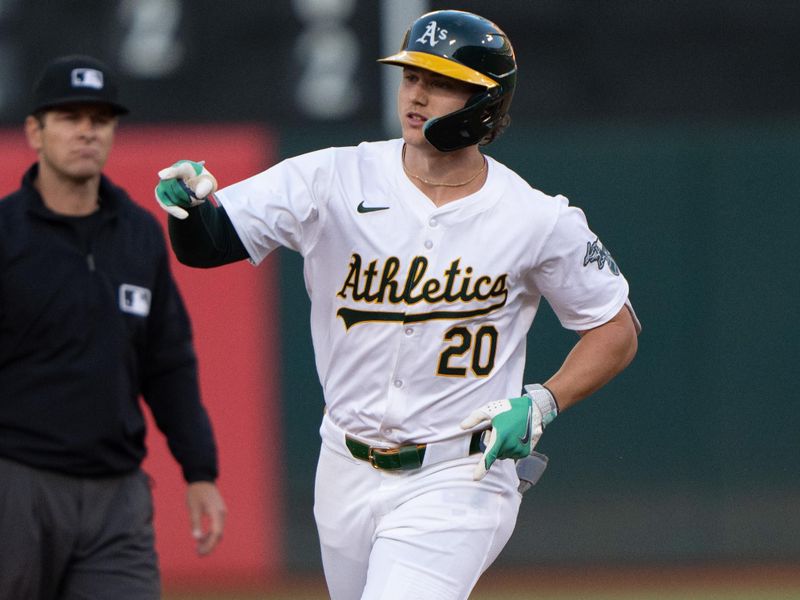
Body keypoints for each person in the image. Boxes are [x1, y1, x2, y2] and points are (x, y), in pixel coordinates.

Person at [155, 9, 639, 600]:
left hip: (461, 472)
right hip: (344, 464)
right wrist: (185, 206)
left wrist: (545, 400)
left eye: (439, 82)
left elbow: (615, 328)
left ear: (485, 100)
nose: (416, 94)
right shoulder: (333, 176)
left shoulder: (536, 217)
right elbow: (208, 244)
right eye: (411, 76)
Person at [0, 54, 227, 600]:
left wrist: (200, 471)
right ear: (35, 130)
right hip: (16, 484)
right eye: (69, 116)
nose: (86, 131)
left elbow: (167, 361)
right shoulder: (5, 236)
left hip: (116, 496)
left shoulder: (138, 235)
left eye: (99, 119)